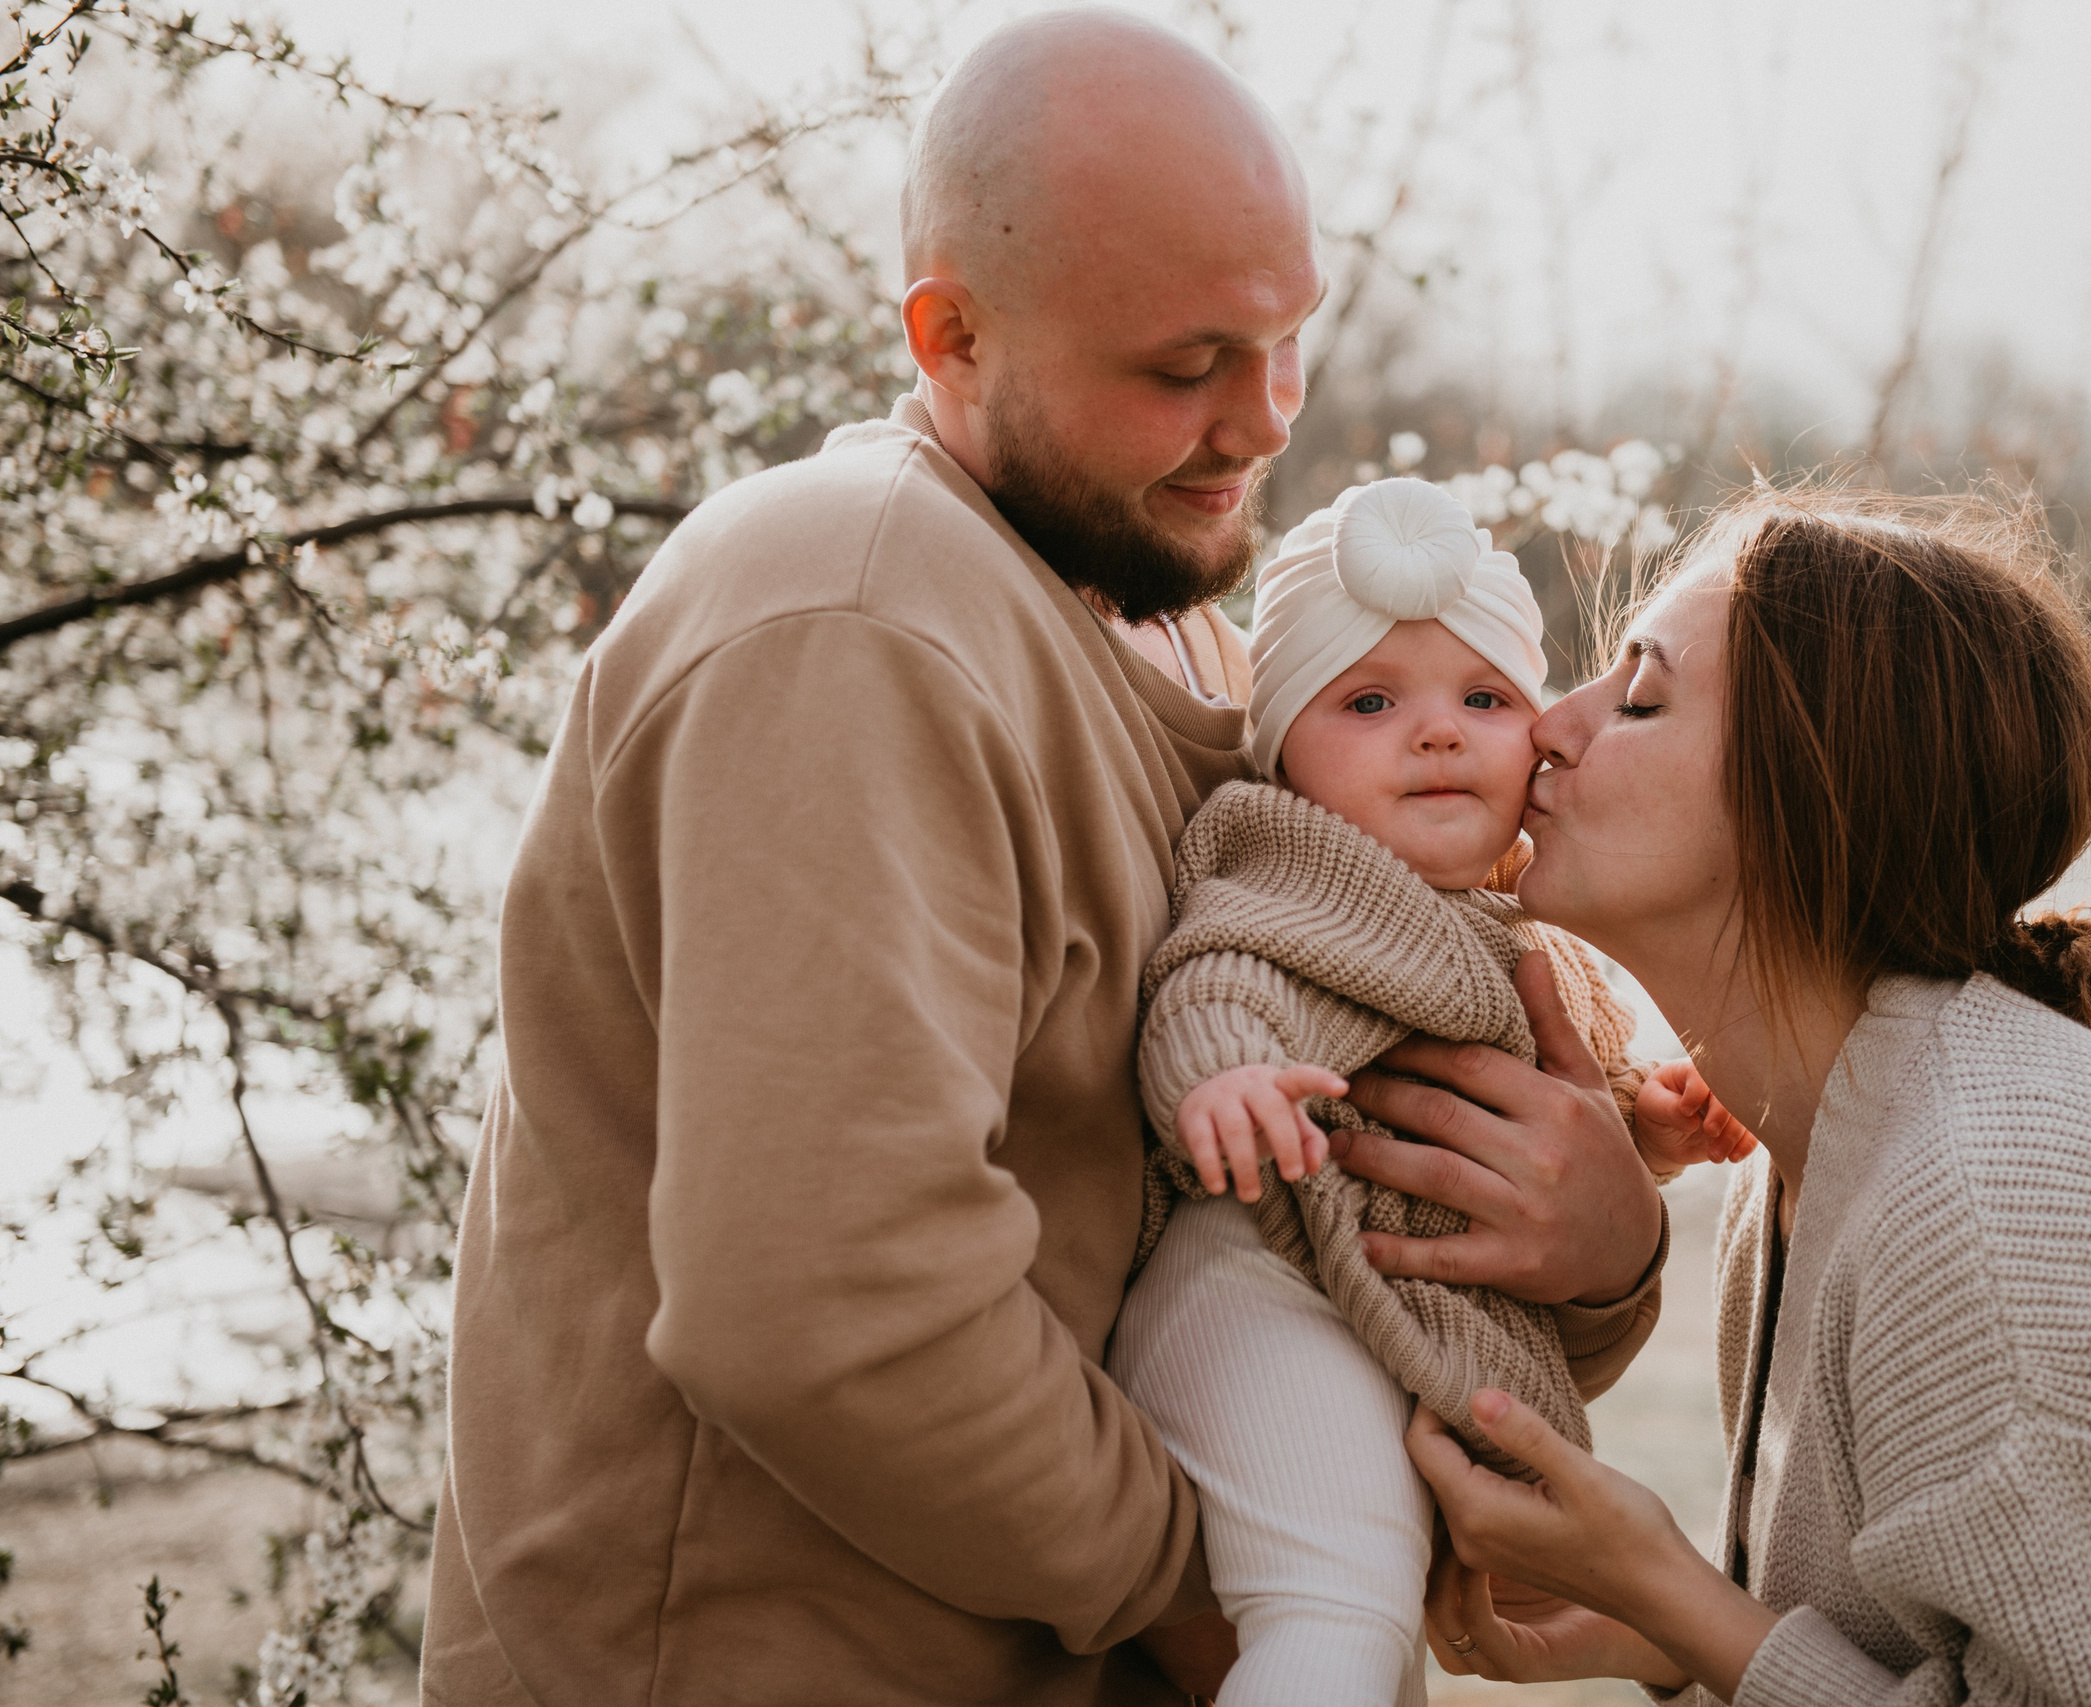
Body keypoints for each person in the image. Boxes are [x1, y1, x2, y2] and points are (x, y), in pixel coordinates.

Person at [419, 11, 1666, 1704]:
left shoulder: (1212, 659)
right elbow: (827, 1309)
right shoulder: (851, 620)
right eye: (1183, 365)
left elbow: (1316, 1210)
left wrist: (1596, 1259)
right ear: (951, 335)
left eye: (1288, 339)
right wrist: (1238, 1574)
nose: (1262, 422)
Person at [1404, 488, 2091, 1706]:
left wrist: (1666, 1583)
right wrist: (1672, 1636)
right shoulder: (1809, 1152)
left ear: (1813, 796)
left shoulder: (1990, 1230)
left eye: (1637, 699)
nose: (1545, 728)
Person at [1106, 477, 1755, 1707]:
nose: (1439, 731)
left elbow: (1554, 1099)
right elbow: (1214, 979)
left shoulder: (1514, 918)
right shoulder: (1291, 861)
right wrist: (1228, 1082)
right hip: (1250, 1276)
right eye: (1367, 702)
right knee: (1335, 1609)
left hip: (1354, 1299)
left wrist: (1646, 1124)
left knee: (1377, 1618)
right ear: (1281, 749)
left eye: (1483, 698)